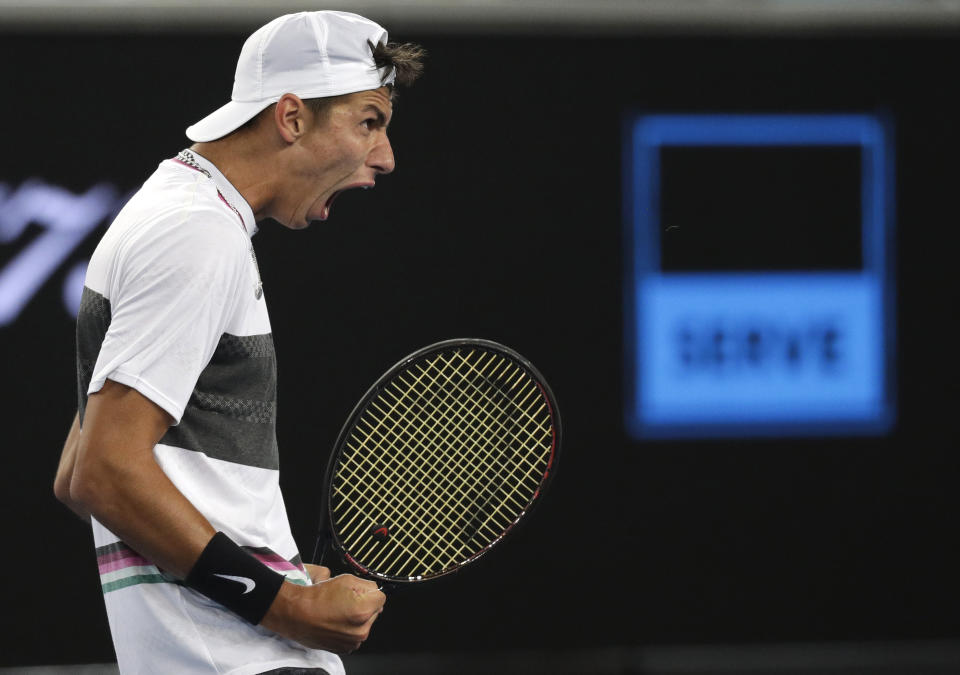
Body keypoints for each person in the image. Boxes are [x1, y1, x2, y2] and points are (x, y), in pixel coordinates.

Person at [52, 11, 424, 674]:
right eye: (369, 122)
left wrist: (260, 562)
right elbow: (102, 473)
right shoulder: (195, 233)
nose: (386, 157)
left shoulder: (170, 212)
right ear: (291, 118)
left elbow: (75, 475)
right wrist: (286, 605)